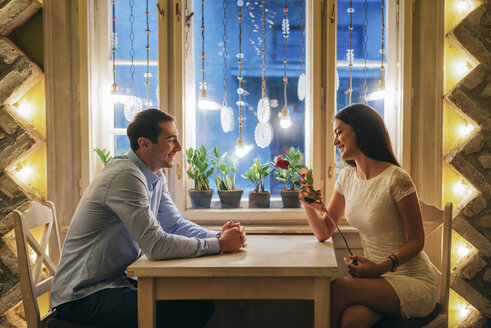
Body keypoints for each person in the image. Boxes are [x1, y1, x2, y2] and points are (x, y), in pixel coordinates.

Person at [51, 109, 246, 328]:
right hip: (82, 295)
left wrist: (222, 236)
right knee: (173, 317)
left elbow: (174, 224)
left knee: (200, 304)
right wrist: (219, 245)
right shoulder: (126, 176)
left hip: (117, 283)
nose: (179, 147)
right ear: (144, 143)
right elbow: (157, 246)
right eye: (171, 140)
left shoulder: (154, 174)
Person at [300, 104, 436, 328]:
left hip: (413, 281)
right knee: (351, 321)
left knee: (336, 289)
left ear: (360, 130)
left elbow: (417, 241)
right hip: (378, 281)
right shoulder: (346, 178)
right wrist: (308, 203)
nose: (335, 141)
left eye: (339, 131)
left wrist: (380, 267)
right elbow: (324, 232)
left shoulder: (397, 179)